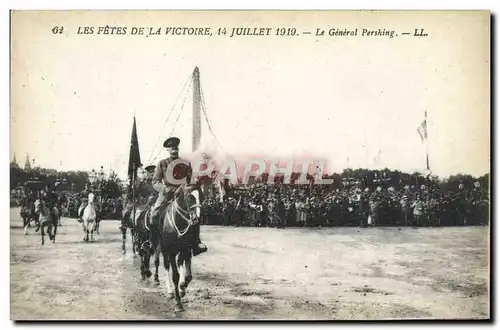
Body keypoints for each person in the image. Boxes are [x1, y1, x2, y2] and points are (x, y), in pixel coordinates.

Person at [150, 137, 207, 256]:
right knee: (154, 213)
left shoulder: (185, 163)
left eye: (176, 148)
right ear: (168, 150)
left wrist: (185, 187)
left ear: (178, 149)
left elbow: (190, 180)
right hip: (166, 194)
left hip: (183, 193)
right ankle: (152, 243)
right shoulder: (162, 163)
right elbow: (155, 182)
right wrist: (165, 189)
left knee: (195, 213)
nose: (174, 150)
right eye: (172, 148)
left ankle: (196, 243)